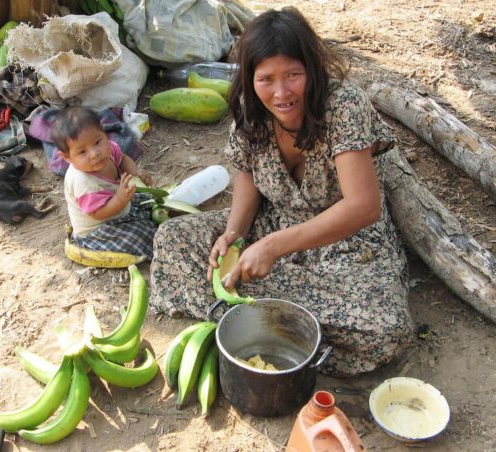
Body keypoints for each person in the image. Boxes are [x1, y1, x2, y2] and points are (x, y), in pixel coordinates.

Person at [150, 7, 413, 377]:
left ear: (313, 69)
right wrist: (234, 235)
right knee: (173, 240)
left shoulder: (343, 105)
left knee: (385, 327)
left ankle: (249, 317)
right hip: (271, 225)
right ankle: (283, 323)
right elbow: (246, 181)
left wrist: (273, 247)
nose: (281, 92)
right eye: (266, 79)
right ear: (250, 79)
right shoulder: (251, 110)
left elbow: (364, 206)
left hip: (347, 244)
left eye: (293, 75)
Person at [53, 106, 158, 259]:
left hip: (119, 204)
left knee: (151, 201)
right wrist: (121, 199)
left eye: (97, 142)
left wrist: (136, 172)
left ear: (104, 133)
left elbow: (122, 159)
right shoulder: (83, 182)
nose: (94, 153)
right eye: (82, 152)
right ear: (67, 157)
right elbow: (98, 213)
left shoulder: (108, 149)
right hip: (100, 229)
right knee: (144, 237)